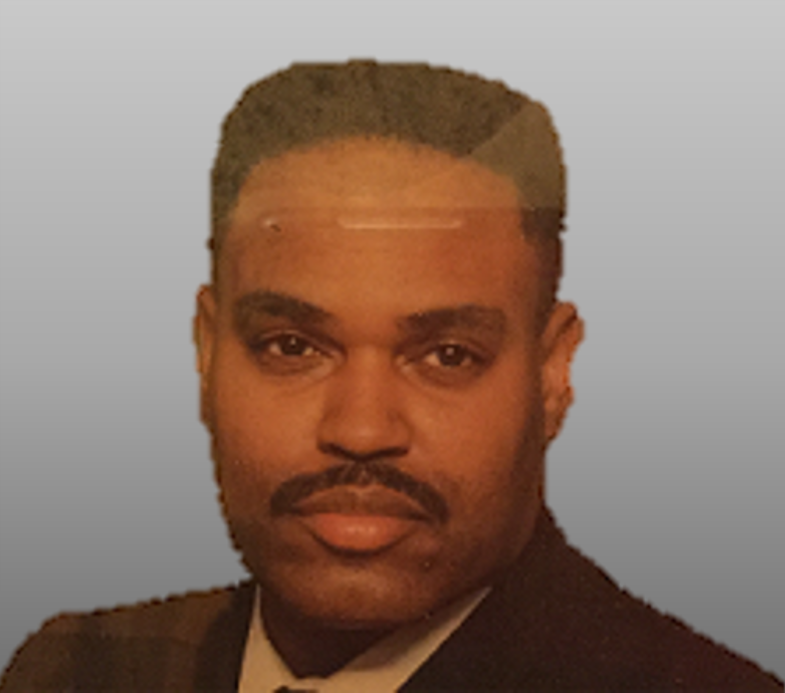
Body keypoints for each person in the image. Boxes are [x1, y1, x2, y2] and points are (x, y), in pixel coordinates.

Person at [1, 61, 780, 692]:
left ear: (551, 374)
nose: (362, 428)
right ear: (206, 353)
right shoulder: (75, 671)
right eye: (291, 346)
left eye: (447, 355)